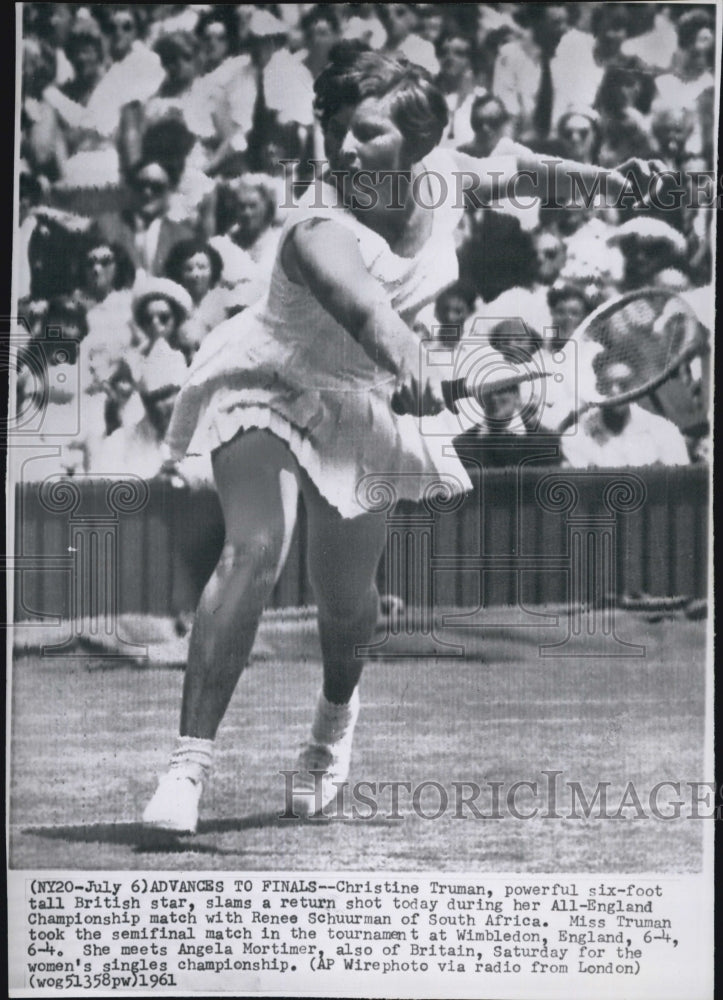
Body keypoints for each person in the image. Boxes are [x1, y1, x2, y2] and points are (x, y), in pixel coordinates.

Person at [141, 43, 660, 834]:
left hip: (360, 401)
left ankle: (330, 730)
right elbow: (369, 314)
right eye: (338, 128)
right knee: (256, 548)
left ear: (417, 142)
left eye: (367, 132)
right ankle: (186, 770)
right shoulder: (320, 228)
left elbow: (517, 168)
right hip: (269, 380)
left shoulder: (443, 173)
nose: (344, 147)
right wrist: (412, 363)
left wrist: (607, 183)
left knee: (345, 599)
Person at [561, 354, 690, 469]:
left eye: (623, 384)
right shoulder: (576, 438)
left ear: (636, 388)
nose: (615, 391)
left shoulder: (664, 431)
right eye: (607, 384)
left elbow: (680, 485)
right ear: (598, 388)